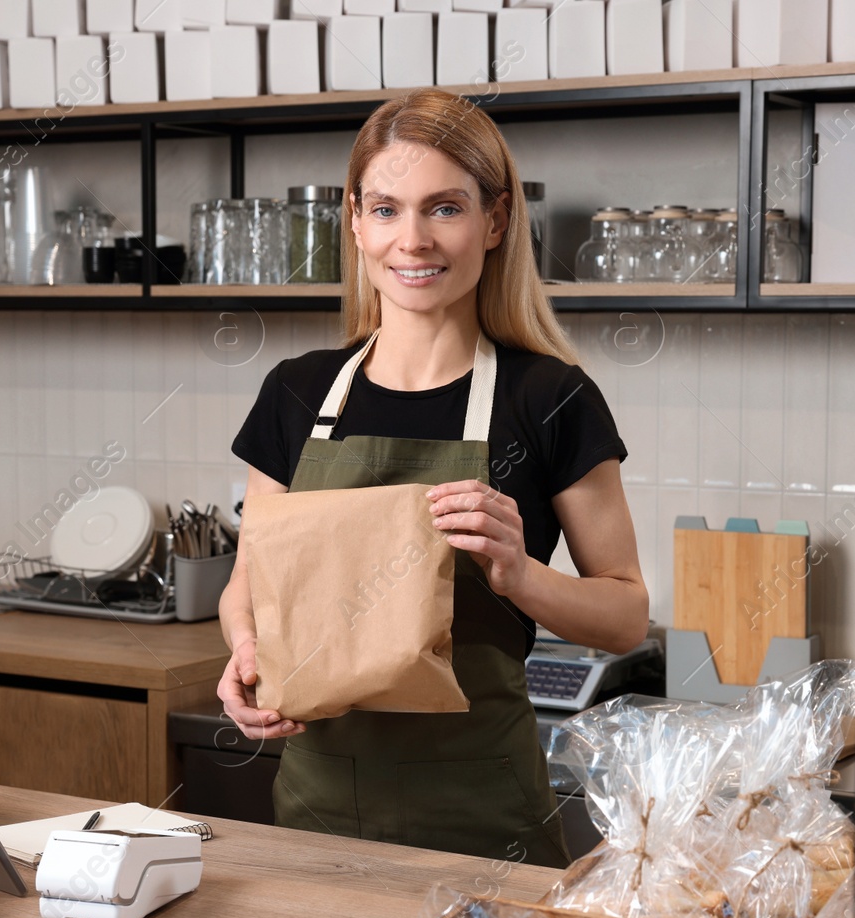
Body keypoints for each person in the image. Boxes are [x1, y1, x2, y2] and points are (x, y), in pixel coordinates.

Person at [219, 88, 648, 868]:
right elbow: (247, 584)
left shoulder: (551, 399)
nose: (411, 240)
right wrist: (245, 655)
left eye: (443, 208)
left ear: (495, 220)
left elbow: (624, 614)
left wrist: (520, 574)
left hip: (485, 819)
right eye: (385, 209)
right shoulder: (295, 391)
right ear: (354, 221)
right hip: (317, 810)